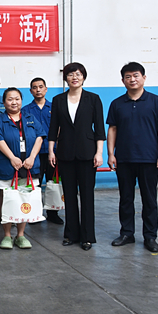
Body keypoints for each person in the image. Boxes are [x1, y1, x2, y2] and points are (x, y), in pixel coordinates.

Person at [107, 62, 158, 253]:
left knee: (149, 200)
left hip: (149, 159)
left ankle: (150, 237)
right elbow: (112, 129)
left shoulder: (156, 101)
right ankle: (127, 233)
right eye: (128, 76)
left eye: (136, 75)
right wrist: (111, 154)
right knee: (125, 199)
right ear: (123, 81)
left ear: (144, 78)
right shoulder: (117, 103)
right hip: (124, 159)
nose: (132, 79)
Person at [48, 63, 105, 251]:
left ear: (83, 77)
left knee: (87, 196)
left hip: (88, 153)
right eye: (71, 74)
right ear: (66, 78)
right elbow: (53, 127)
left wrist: (99, 153)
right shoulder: (58, 100)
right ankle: (71, 234)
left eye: (78, 74)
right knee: (69, 195)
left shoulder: (93, 99)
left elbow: (99, 129)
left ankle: (87, 236)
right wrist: (51, 151)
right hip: (65, 153)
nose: (75, 77)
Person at [0, 88, 45, 250]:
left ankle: (21, 235)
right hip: (7, 166)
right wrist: (12, 158)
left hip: (28, 166)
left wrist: (32, 157)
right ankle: (7, 235)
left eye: (17, 99)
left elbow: (40, 137)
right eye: (10, 99)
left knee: (24, 200)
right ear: (4, 102)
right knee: (7, 201)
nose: (14, 102)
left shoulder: (30, 118)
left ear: (21, 100)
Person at [21, 77, 64, 225]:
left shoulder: (55, 108)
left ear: (46, 89)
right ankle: (35, 212)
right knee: (35, 183)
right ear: (30, 91)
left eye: (40, 87)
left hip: (53, 152)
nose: (38, 90)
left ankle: (53, 213)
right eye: (34, 87)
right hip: (34, 153)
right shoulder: (25, 110)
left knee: (52, 182)